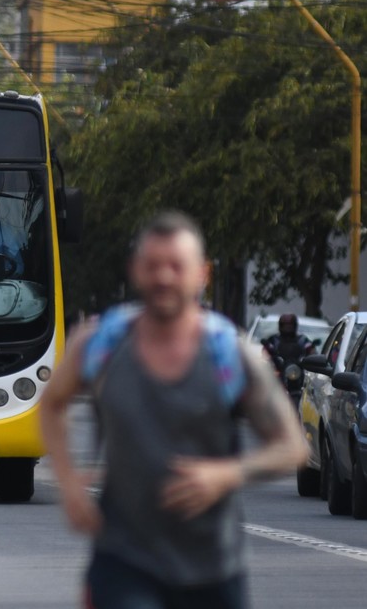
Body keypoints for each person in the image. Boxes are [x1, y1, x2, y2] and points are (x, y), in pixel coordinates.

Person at [39, 212, 308, 609]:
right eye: (152, 265)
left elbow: (293, 447)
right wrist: (68, 484)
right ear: (135, 270)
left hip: (214, 565)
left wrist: (228, 473)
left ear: (202, 274)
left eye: (176, 266)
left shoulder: (230, 353)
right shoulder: (102, 344)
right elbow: (51, 403)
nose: (163, 276)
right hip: (124, 560)